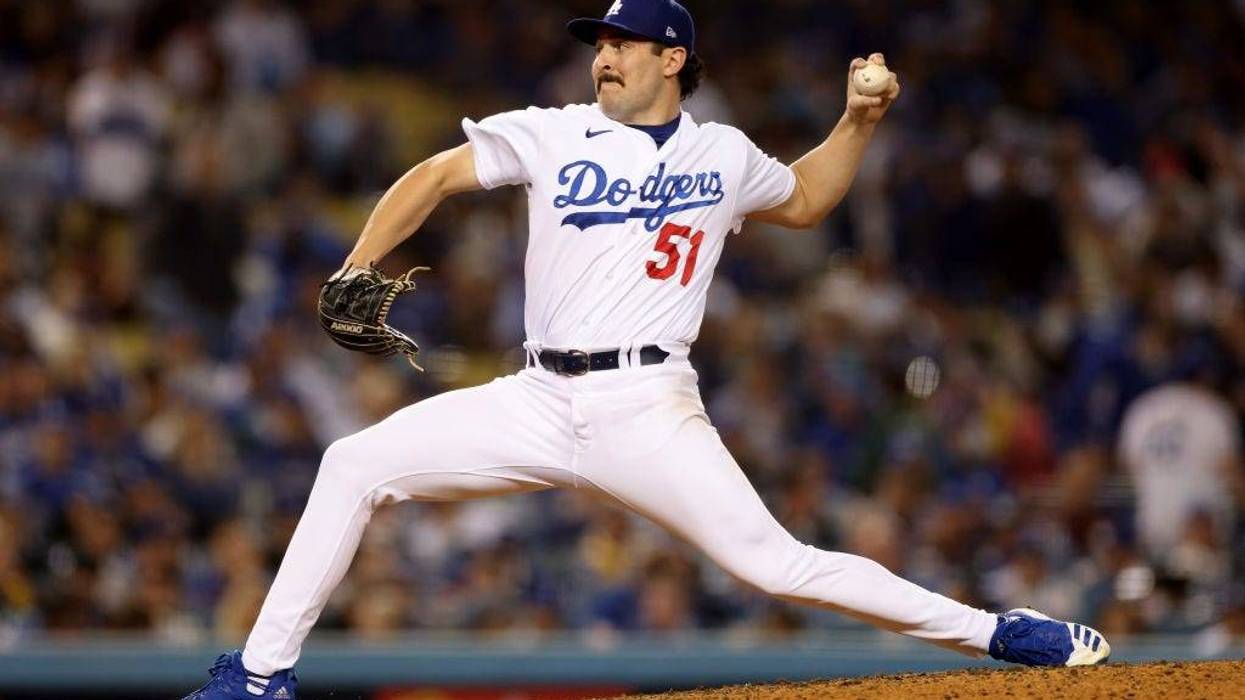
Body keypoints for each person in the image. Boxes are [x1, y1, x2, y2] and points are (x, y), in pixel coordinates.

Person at [184, 2, 1110, 697]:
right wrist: (358, 260)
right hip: (534, 396)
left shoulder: (722, 152)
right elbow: (434, 175)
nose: (603, 56)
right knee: (352, 462)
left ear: (673, 58)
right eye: (598, 43)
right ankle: (260, 678)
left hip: (648, 404)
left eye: (622, 43)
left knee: (775, 566)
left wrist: (858, 122)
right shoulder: (551, 132)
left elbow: (805, 201)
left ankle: (999, 631)